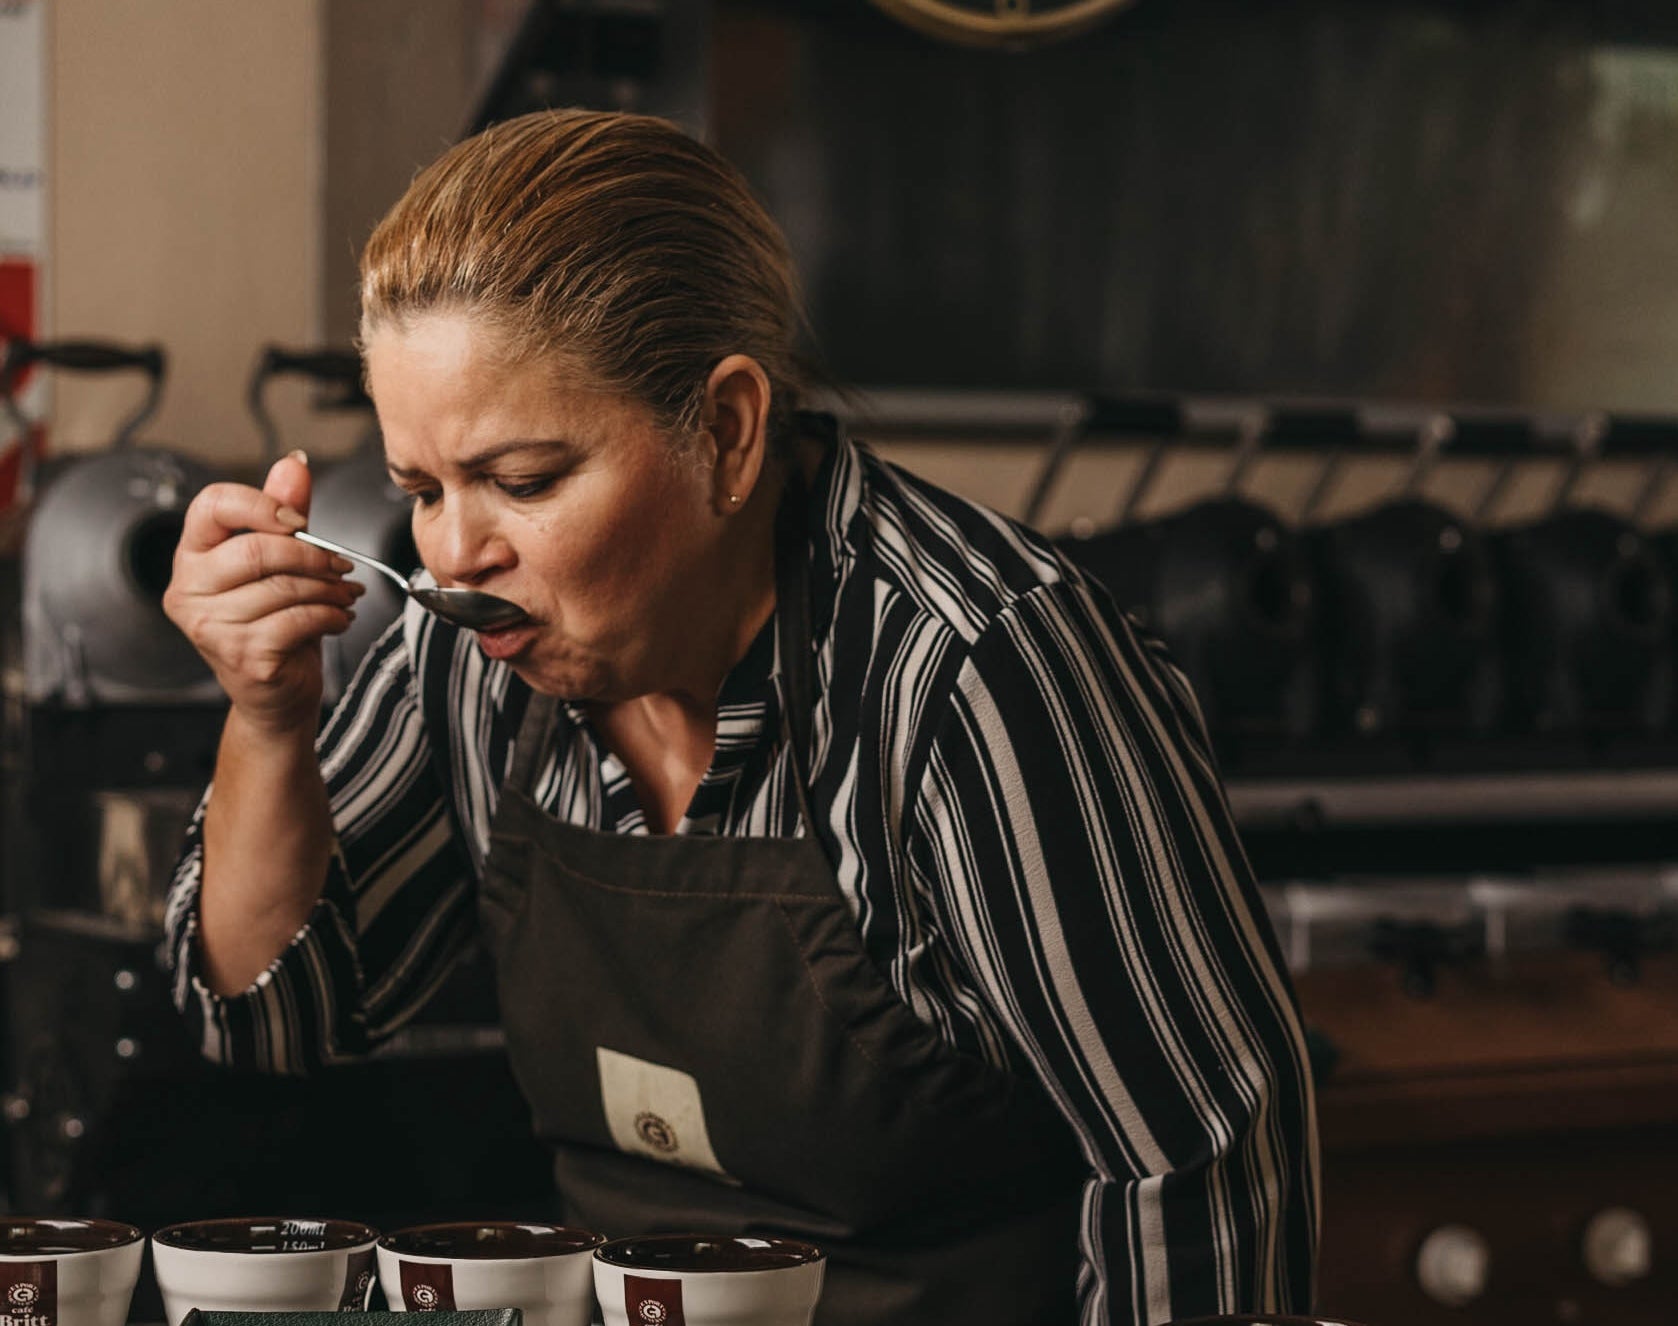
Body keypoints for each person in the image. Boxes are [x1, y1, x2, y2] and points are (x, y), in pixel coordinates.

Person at [161, 108, 1318, 1325]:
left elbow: (1197, 1159)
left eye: (524, 480)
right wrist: (268, 718)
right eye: (419, 490)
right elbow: (272, 1019)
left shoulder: (971, 669)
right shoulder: (476, 653)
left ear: (724, 430)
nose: (453, 552)